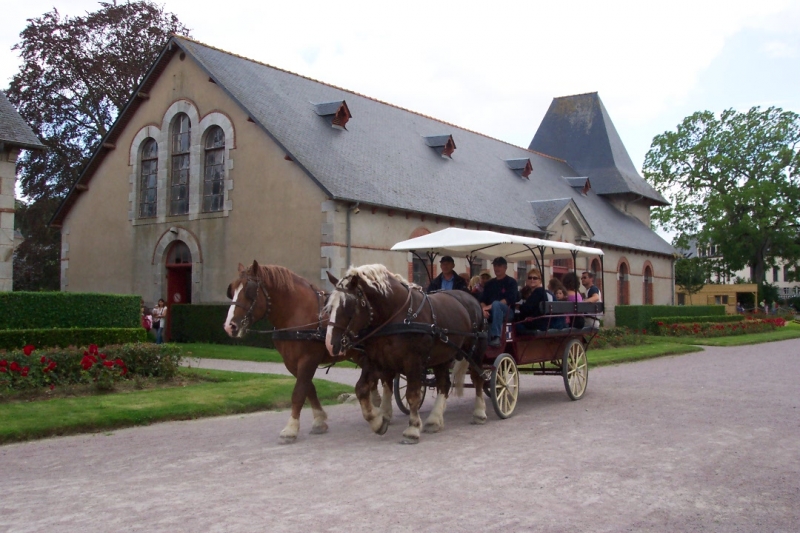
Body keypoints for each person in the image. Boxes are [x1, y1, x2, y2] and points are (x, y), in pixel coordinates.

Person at [480, 257, 519, 346]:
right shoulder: (489, 284)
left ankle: (496, 336)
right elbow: (482, 300)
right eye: (495, 266)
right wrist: (483, 309)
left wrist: (490, 306)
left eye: (499, 266)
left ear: (505, 268)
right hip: (490, 312)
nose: (496, 268)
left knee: (496, 304)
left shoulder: (511, 282)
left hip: (508, 311)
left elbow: (510, 298)